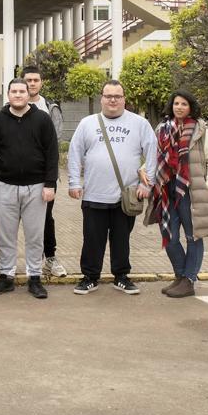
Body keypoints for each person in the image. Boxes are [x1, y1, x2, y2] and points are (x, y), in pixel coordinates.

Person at [68, 79, 157, 295]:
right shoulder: (87, 123)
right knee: (92, 240)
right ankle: (89, 277)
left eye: (117, 96)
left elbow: (153, 151)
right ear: (102, 99)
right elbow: (74, 152)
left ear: (124, 99)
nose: (113, 100)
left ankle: (122, 277)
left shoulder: (139, 123)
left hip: (126, 196)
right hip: (94, 194)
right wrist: (73, 182)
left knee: (121, 240)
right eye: (108, 96)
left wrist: (148, 184)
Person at [145, 90, 208, 298]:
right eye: (176, 103)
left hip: (191, 191)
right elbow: (155, 155)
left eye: (184, 104)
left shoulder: (200, 129)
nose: (179, 107)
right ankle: (180, 276)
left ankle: (189, 279)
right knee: (169, 236)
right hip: (167, 189)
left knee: (193, 236)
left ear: (191, 107)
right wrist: (145, 170)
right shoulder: (162, 128)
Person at [0, 78, 58, 300]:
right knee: (5, 235)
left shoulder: (42, 119)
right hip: (4, 186)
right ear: (7, 94)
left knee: (35, 236)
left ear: (29, 94)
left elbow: (52, 152)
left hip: (36, 188)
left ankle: (34, 278)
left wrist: (50, 184)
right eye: (14, 91)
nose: (18, 95)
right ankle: (6, 277)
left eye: (21, 91)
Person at [21, 66, 67, 278]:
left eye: (35, 80)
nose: (32, 83)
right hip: (18, 175)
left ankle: (49, 258)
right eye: (28, 80)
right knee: (13, 219)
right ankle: (5, 259)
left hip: (45, 176)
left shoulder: (50, 108)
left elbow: (54, 144)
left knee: (46, 218)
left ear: (41, 82)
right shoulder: (12, 104)